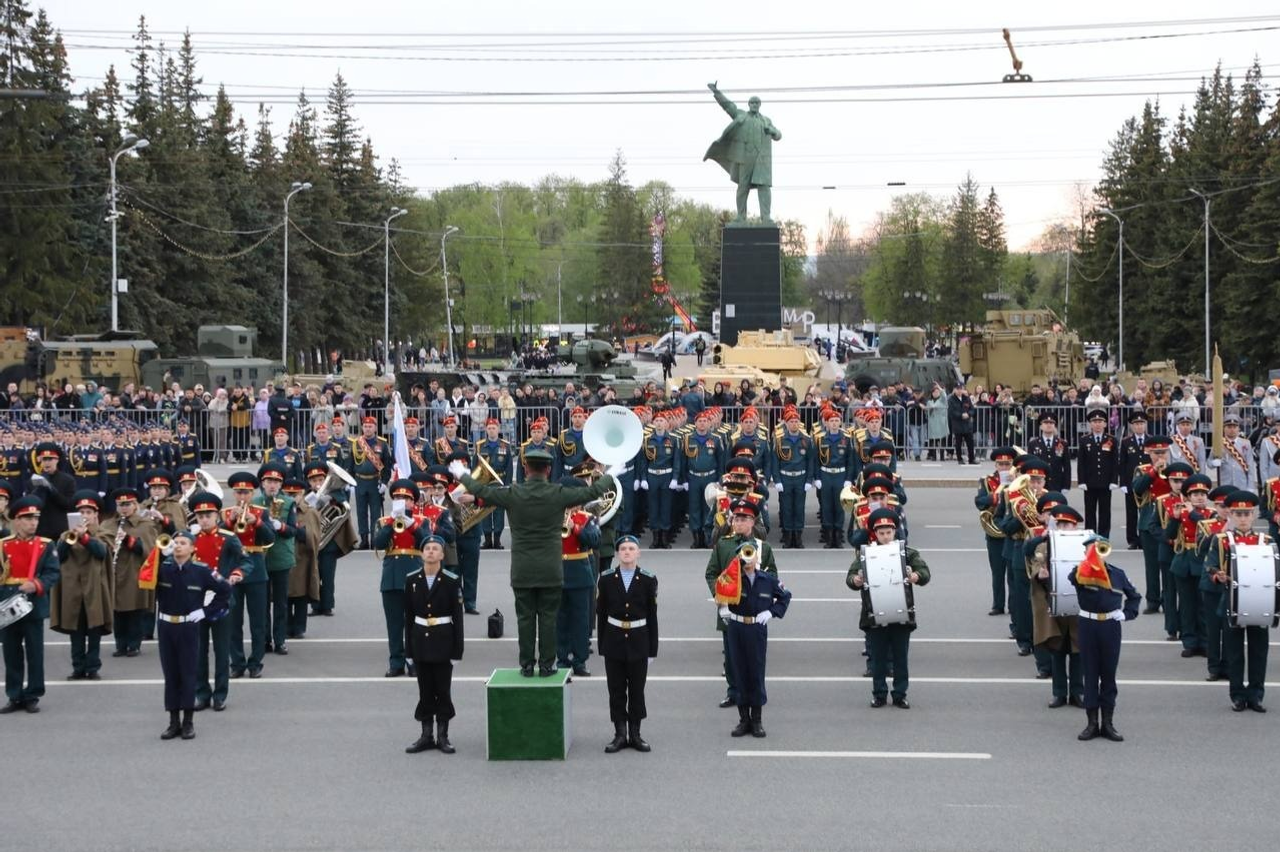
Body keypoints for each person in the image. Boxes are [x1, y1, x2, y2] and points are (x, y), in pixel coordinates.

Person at [451, 447, 617, 677]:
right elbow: (594, 492)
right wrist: (609, 471)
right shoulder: (558, 493)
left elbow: (481, 491)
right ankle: (548, 664)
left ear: (526, 468)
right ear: (548, 470)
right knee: (549, 619)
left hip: (522, 569)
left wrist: (462, 474)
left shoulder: (513, 493)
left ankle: (527, 664)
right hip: (551, 569)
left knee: (525, 619)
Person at [714, 499, 791, 736]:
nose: (739, 522)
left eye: (744, 518)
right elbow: (713, 574)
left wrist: (770, 610)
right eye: (736, 518)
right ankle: (742, 717)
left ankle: (756, 719)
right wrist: (721, 597)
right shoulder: (724, 544)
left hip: (756, 621)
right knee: (736, 667)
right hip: (733, 617)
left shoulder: (762, 547)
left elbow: (777, 583)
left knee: (755, 670)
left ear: (752, 521)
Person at [153, 531, 233, 740]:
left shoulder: (202, 571)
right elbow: (143, 578)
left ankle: (188, 722)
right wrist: (158, 555)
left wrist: (206, 612)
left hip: (188, 627)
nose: (177, 546)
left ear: (192, 548)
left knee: (188, 673)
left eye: (183, 543)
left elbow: (225, 590)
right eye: (175, 542)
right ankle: (173, 722)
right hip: (166, 626)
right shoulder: (162, 568)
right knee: (171, 675)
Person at [848, 508, 930, 709]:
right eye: (881, 533)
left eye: (889, 532)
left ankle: (900, 693)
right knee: (877, 658)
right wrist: (856, 580)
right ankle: (879, 694)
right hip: (874, 614)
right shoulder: (865, 554)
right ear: (875, 533)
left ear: (895, 531)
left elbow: (925, 573)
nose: (885, 537)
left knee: (901, 657)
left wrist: (915, 577)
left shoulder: (908, 553)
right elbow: (850, 578)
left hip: (901, 612)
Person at [1205, 490, 1272, 712]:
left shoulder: (1266, 541)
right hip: (1232, 601)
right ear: (1231, 515)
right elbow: (1210, 565)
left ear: (1253, 515)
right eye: (1238, 514)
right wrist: (1218, 575)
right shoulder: (1222, 540)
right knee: (1234, 651)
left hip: (1260, 602)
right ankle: (1237, 695)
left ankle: (1256, 695)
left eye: (1246, 514)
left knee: (1258, 650)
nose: (1243, 518)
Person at [1070, 536, 1142, 742]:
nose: (1096, 553)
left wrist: (1127, 614)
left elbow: (1134, 596)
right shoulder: (1081, 572)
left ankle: (1108, 723)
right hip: (1088, 625)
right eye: (1091, 550)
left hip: (1110, 626)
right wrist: (1088, 562)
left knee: (1108, 675)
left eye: (1099, 549)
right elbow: (1072, 578)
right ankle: (1092, 723)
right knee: (1091, 674)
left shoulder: (1117, 574)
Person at [403, 535, 465, 754]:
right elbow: (408, 617)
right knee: (425, 690)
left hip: (443, 641)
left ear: (441, 554)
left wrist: (457, 650)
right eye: (427, 548)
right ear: (422, 554)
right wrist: (408, 650)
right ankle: (426, 735)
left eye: (435, 548)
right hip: (420, 641)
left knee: (443, 690)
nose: (430, 551)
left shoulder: (451, 580)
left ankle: (443, 736)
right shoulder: (412, 580)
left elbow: (458, 617)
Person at [186, 491, 247, 712]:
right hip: (196, 601)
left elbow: (245, 560)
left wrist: (237, 573)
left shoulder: (228, 537)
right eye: (200, 515)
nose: (204, 519)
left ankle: (220, 694)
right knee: (198, 651)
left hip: (220, 599)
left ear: (216, 516)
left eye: (208, 515)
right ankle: (202, 693)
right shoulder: (190, 538)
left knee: (222, 651)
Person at [597, 534, 658, 753]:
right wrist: (602, 644)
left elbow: (652, 616)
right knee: (616, 690)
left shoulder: (648, 580)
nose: (627, 552)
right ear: (617, 553)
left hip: (638, 640)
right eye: (623, 548)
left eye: (631, 548)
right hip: (613, 640)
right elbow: (601, 613)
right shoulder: (606, 579)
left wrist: (652, 649)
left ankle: (636, 733)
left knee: (637, 690)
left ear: (638, 553)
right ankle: (620, 734)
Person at [0, 496, 60, 713]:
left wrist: (36, 584)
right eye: (27, 518)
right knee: (11, 653)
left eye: (35, 518)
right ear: (16, 521)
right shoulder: (3, 545)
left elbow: (53, 573)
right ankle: (14, 695)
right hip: (7, 603)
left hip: (32, 604)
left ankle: (33, 693)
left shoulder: (45, 545)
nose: (33, 522)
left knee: (35, 653)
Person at [1025, 503, 1085, 708]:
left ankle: (1078, 692)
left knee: (1078, 650)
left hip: (1078, 605)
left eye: (1068, 525)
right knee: (1058, 649)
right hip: (1054, 604)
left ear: (1076, 527)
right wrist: (1040, 576)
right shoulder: (1045, 546)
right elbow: (1034, 567)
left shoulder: (1085, 545)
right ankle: (1059, 692)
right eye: (1060, 524)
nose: (1063, 528)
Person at [51, 491, 113, 681]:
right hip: (72, 588)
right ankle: (78, 667)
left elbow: (101, 552)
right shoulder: (65, 535)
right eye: (81, 512)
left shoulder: (102, 533)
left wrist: (84, 537)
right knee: (75, 631)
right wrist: (71, 538)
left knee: (94, 630)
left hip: (94, 588)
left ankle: (93, 667)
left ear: (96, 515)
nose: (85, 515)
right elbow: (58, 556)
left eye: (88, 512)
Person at [372, 480, 432, 677]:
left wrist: (412, 525)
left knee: (415, 623)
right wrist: (391, 523)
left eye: (406, 499)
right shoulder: (384, 521)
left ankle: (414, 661)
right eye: (398, 498)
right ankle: (396, 662)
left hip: (414, 575)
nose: (401, 501)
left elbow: (428, 545)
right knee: (394, 624)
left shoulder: (422, 521)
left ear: (413, 502)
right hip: (391, 578)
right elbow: (379, 544)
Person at [704, 82, 782, 222]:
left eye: (756, 102)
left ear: (759, 105)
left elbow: (778, 135)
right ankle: (741, 216)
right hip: (745, 157)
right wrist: (717, 93)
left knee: (763, 188)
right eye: (752, 102)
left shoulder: (766, 120)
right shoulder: (741, 115)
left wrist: (772, 131)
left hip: (761, 159)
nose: (754, 104)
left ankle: (766, 217)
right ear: (748, 104)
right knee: (743, 186)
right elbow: (728, 106)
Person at [224, 472, 276, 679]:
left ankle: (256, 662)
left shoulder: (261, 512)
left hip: (255, 568)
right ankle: (236, 662)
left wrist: (257, 523)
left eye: (246, 492)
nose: (242, 496)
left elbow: (271, 538)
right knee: (233, 621)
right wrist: (230, 522)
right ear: (234, 493)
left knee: (258, 621)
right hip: (232, 569)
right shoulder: (225, 513)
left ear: (252, 492)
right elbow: (218, 539)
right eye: (238, 492)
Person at [103, 486, 163, 658]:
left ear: (136, 505)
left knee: (135, 610)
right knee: (117, 611)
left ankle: (134, 645)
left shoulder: (145, 525)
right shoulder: (109, 524)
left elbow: (151, 550)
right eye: (121, 504)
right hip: (115, 573)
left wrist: (131, 541)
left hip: (135, 572)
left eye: (128, 504)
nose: (124, 508)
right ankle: (120, 645)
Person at [976, 447, 1016, 616]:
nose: (1004, 467)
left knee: (1013, 573)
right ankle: (998, 604)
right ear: (995, 464)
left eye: (1007, 464)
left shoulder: (1018, 480)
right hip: (994, 529)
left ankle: (1014, 606)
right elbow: (979, 502)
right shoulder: (987, 481)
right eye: (1001, 464)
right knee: (997, 571)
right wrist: (994, 498)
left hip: (1012, 530)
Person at [774, 405, 814, 549]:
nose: (794, 424)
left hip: (800, 478)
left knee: (799, 507)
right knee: (786, 508)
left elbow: (810, 461)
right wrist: (777, 480)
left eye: (796, 421)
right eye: (791, 422)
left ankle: (798, 536)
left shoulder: (806, 440)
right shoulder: (780, 440)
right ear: (786, 423)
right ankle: (788, 536)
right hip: (785, 478)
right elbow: (775, 461)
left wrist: (809, 480)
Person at [351, 416, 393, 550]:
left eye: (370, 426)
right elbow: (351, 464)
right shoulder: (356, 443)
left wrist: (385, 483)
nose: (367, 429)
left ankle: (375, 539)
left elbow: (387, 464)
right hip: (360, 481)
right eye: (365, 426)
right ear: (362, 427)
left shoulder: (382, 443)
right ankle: (364, 539)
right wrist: (351, 482)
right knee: (361, 511)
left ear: (375, 428)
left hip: (375, 481)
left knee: (375, 512)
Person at [1077, 409, 1120, 537]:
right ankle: (1090, 536)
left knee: (1105, 512)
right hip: (1090, 482)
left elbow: (1114, 462)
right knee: (1089, 511)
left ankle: (1103, 537)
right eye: (1094, 421)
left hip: (1106, 482)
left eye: (1100, 421)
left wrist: (1113, 480)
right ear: (1091, 424)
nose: (1097, 424)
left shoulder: (1111, 440)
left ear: (1105, 424)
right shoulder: (1085, 440)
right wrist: (1082, 481)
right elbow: (1081, 462)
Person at [1118, 411, 1150, 549]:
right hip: (1131, 482)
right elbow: (1123, 463)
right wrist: (1123, 483)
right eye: (1136, 424)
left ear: (1145, 425)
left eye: (1141, 423)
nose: (1139, 426)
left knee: (1146, 512)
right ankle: (1132, 540)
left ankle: (1145, 539)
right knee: (1131, 513)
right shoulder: (1126, 442)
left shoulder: (1150, 441)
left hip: (1147, 483)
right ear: (1132, 426)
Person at [947, 385, 977, 465]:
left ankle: (971, 459)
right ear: (954, 390)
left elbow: (972, 409)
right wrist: (961, 415)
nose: (959, 391)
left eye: (961, 389)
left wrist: (969, 414)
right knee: (958, 443)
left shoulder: (966, 398)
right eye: (958, 389)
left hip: (967, 424)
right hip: (957, 424)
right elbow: (951, 412)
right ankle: (959, 459)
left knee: (970, 443)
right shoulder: (951, 400)